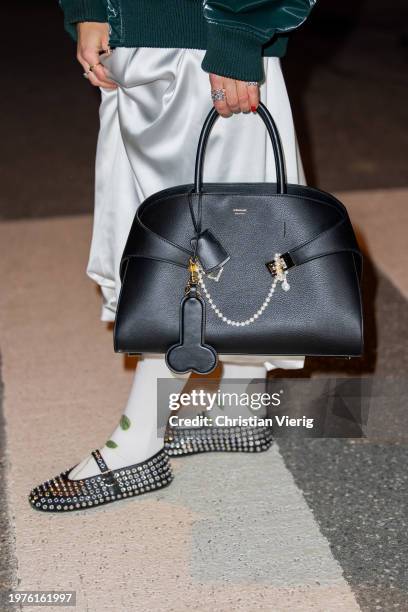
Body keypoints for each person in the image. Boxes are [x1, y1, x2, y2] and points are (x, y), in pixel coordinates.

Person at [29, 0, 316, 512]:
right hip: (137, 41)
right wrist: (91, 7)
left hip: (205, 41)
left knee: (202, 246)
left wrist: (236, 35)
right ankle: (238, 410)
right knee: (173, 231)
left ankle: (139, 440)